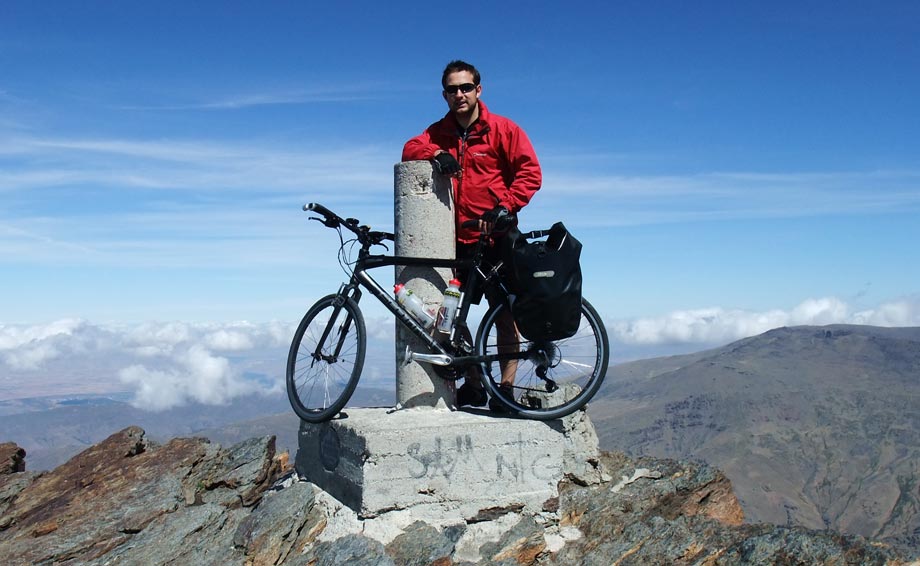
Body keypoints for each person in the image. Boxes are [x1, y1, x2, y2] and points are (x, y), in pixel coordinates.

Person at [402, 60, 542, 410]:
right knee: (452, 318)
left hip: (497, 238)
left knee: (505, 316)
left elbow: (530, 172)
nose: (460, 94)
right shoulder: (439, 132)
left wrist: (507, 206)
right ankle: (476, 384)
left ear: (479, 89)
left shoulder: (502, 130)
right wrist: (436, 152)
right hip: (459, 242)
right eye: (453, 89)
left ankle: (506, 390)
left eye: (466, 87)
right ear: (444, 95)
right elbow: (409, 148)